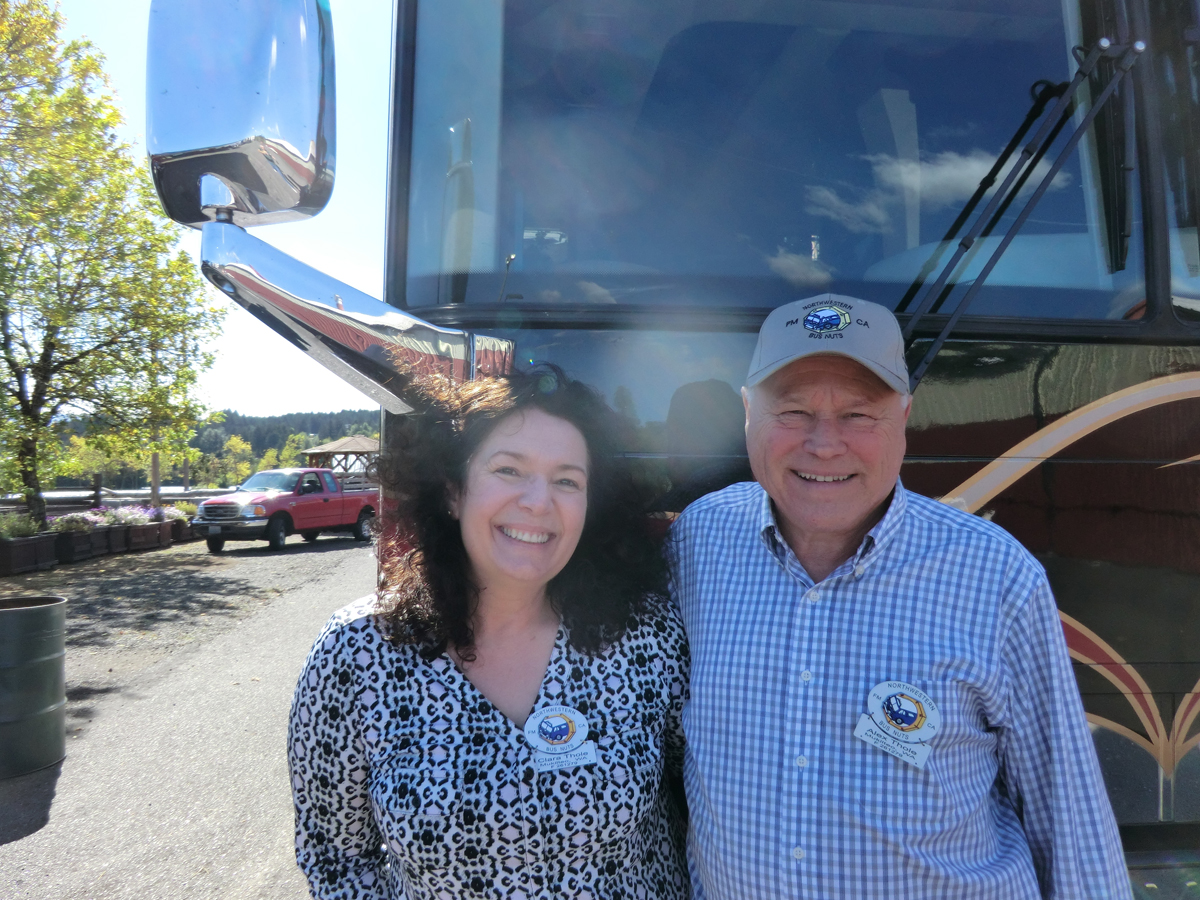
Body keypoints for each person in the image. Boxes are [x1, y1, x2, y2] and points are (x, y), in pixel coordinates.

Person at [669, 294, 1130, 898]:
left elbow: (1069, 818)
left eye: (859, 414)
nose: (824, 444)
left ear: (904, 417)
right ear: (748, 412)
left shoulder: (995, 577)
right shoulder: (698, 542)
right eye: (794, 411)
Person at [288, 366, 689, 900]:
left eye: (567, 480)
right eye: (509, 469)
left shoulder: (647, 637)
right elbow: (336, 859)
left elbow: (695, 799)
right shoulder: (355, 655)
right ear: (453, 492)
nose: (539, 501)